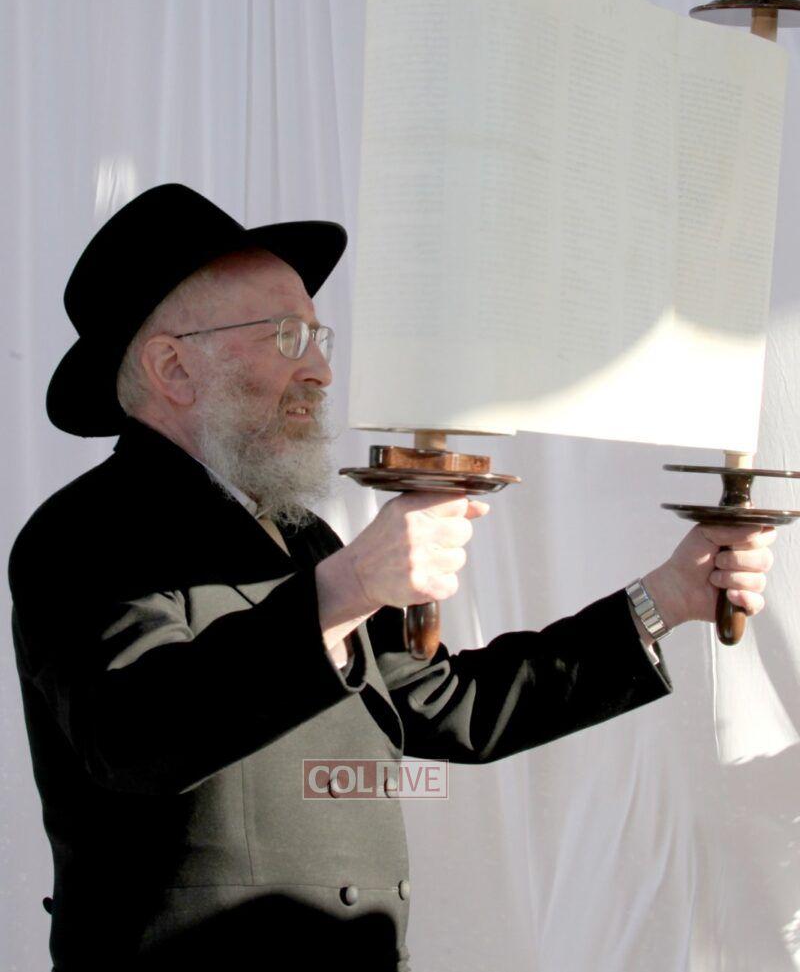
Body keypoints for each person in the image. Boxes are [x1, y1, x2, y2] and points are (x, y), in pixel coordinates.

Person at [9, 184, 774, 972]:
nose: (320, 371)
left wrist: (663, 599)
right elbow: (132, 736)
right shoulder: (82, 533)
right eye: (285, 335)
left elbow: (447, 703)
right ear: (173, 365)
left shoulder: (299, 536)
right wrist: (345, 589)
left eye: (318, 336)